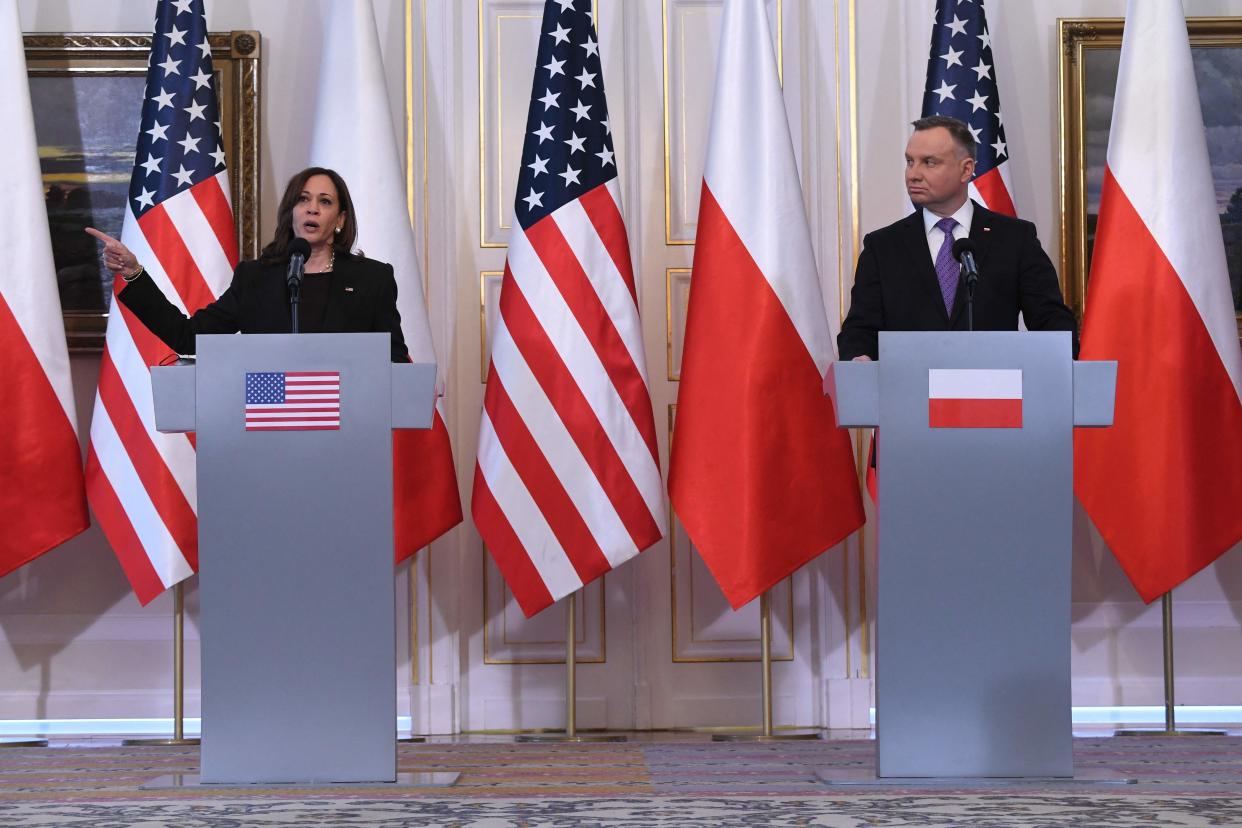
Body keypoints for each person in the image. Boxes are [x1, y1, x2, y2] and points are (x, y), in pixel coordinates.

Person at [86, 167, 410, 363]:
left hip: (350, 430)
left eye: (324, 202)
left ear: (340, 219)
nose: (312, 209)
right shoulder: (257, 278)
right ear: (291, 212)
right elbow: (189, 337)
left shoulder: (373, 279)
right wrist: (134, 274)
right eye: (303, 199)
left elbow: (394, 361)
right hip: (267, 432)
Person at [837, 116, 1076, 361]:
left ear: (966, 169)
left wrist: (1056, 360)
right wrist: (859, 357)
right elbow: (859, 330)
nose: (913, 175)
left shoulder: (1015, 240)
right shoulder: (883, 247)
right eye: (910, 162)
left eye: (929, 162)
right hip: (909, 393)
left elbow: (1052, 322)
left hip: (993, 393)